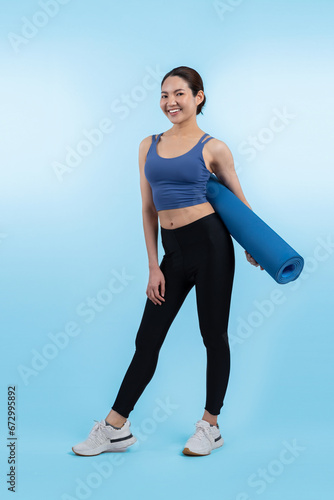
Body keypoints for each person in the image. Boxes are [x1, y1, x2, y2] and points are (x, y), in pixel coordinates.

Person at [72, 66, 262, 458]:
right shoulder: (149, 145)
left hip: (211, 246)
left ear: (198, 97)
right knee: (147, 340)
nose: (170, 102)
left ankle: (210, 426)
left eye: (179, 93)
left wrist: (255, 245)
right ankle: (115, 428)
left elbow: (239, 201)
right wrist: (153, 265)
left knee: (214, 335)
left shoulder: (214, 147)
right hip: (172, 252)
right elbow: (147, 207)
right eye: (163, 95)